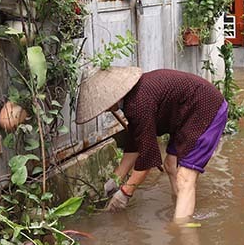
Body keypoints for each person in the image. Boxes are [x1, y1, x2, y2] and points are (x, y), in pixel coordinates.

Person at [74, 67, 228, 221]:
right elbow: (136, 142)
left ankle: (183, 231)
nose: (105, 110)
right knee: (171, 165)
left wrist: (126, 191)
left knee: (185, 177)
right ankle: (181, 205)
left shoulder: (138, 103)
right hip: (187, 114)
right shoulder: (132, 99)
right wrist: (116, 178)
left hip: (207, 109)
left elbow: (148, 158)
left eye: (103, 105)